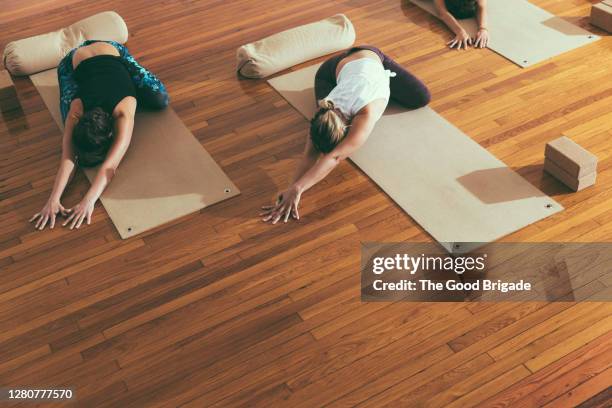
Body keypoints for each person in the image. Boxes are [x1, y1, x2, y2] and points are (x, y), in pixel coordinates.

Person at [261, 45, 430, 224]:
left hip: (370, 56)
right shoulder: (324, 109)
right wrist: (292, 189)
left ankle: (382, 77)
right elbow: (309, 154)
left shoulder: (365, 113)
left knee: (421, 98)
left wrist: (299, 188)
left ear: (347, 128)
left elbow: (335, 157)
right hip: (329, 74)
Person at [30, 40, 169, 231]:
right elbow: (68, 157)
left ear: (111, 133)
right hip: (76, 59)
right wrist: (53, 199)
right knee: (68, 127)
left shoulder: (123, 114)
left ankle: (127, 64)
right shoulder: (76, 111)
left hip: (112, 51)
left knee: (160, 98)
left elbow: (109, 167)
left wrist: (88, 201)